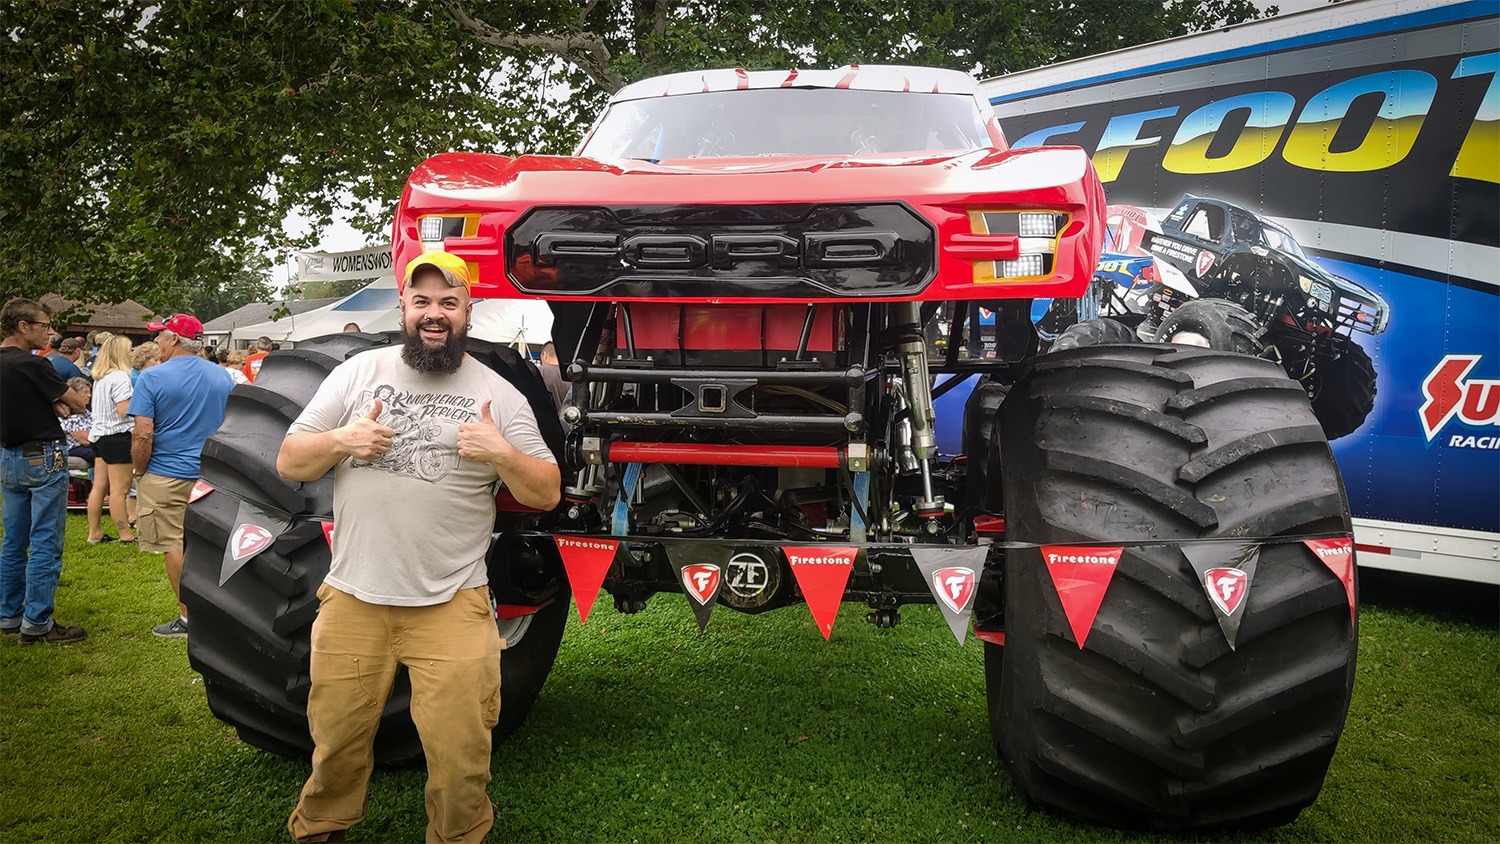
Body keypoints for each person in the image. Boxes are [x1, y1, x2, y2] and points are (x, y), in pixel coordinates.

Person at [279, 250, 560, 843]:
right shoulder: (357, 373)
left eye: (449, 303)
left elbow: (546, 492)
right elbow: (290, 461)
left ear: (468, 312)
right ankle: (321, 826)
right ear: (403, 307)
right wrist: (342, 439)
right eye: (423, 301)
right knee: (335, 738)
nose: (436, 314)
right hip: (355, 598)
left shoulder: (499, 393)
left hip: (453, 602)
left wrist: (501, 453)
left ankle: (459, 834)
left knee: (461, 751)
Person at [128, 314, 233, 638]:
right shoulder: (224, 377)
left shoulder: (152, 377)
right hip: (212, 475)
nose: (156, 341)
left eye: (160, 336)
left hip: (165, 473)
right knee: (210, 545)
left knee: (172, 544)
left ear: (175, 339)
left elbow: (143, 434)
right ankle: (220, 610)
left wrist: (139, 471)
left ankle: (188, 619)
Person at [0, 297, 88, 644]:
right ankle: (37, 622)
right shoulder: (34, 365)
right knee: (45, 542)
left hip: (8, 457)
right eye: (43, 326)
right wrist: (57, 400)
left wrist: (48, 401)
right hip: (44, 457)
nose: (48, 333)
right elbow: (78, 402)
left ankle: (9, 614)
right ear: (23, 327)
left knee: (13, 540)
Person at [88, 335, 139, 544]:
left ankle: (94, 532)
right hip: (118, 436)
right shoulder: (120, 377)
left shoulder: (101, 377)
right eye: (129, 349)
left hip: (99, 435)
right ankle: (125, 534)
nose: (132, 352)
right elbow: (123, 409)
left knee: (99, 486)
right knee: (120, 490)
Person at [60, 377, 96, 467]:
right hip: (75, 448)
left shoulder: (87, 412)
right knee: (102, 455)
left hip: (91, 446)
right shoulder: (68, 414)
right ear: (74, 395)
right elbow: (86, 440)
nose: (89, 395)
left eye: (89, 392)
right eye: (85, 392)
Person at [538, 340, 568, 409]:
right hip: (569, 417)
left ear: (545, 355)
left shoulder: (540, 371)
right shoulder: (571, 374)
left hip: (546, 418)